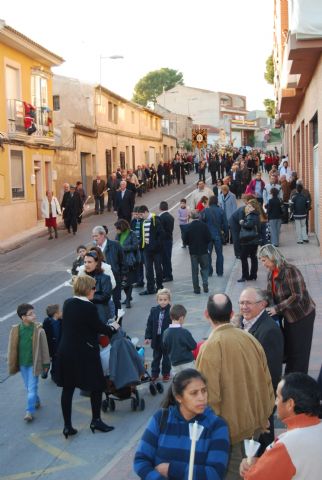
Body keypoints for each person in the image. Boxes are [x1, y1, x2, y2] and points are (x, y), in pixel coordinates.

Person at [196, 293, 275, 480]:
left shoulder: (210, 347)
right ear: (232, 313)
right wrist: (263, 418)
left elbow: (208, 399)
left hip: (227, 435)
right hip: (254, 426)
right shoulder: (250, 339)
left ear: (206, 314)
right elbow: (267, 383)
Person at [134, 369, 230, 479]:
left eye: (204, 391)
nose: (202, 398)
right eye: (194, 393)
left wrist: (171, 469)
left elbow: (215, 474)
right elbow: (141, 460)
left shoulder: (217, 426)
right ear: (179, 397)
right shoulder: (161, 418)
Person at [55, 275, 120, 438]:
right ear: (85, 289)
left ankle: (67, 426)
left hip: (66, 352)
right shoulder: (88, 307)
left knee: (68, 389)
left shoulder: (68, 303)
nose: (95, 290)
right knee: (97, 386)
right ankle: (96, 421)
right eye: (93, 288)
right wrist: (113, 327)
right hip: (85, 352)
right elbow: (99, 328)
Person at [240, 373, 322, 479]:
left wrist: (250, 469)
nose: (275, 402)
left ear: (290, 404)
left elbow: (256, 478)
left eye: (278, 397)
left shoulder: (287, 445)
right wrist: (260, 462)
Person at [239, 287, 284, 454]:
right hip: (251, 395)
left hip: (261, 399)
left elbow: (271, 373)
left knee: (263, 440)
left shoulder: (269, 330)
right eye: (241, 302)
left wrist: (265, 406)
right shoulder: (247, 322)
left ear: (263, 304)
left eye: (248, 303)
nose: (244, 306)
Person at [258, 244, 315, 374]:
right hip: (288, 315)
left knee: (300, 350)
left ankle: (297, 380)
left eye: (263, 260)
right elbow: (269, 293)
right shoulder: (271, 273)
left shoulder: (290, 270)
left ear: (271, 257)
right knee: (291, 348)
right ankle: (290, 376)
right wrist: (259, 301)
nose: (263, 264)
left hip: (302, 315)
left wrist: (276, 309)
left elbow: (297, 296)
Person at [7, 303, 50, 422]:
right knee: (28, 387)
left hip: (34, 364)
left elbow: (45, 348)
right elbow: (12, 347)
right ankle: (36, 401)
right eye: (30, 314)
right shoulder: (16, 330)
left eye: (33, 313)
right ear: (23, 317)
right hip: (22, 364)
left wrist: (46, 364)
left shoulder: (39, 330)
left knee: (31, 388)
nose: (34, 316)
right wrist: (11, 361)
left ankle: (29, 412)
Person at [92, 225, 127, 313]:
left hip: (114, 278)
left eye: (96, 235)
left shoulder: (115, 245)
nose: (94, 238)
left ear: (103, 234)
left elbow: (123, 262)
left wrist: (122, 276)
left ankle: (118, 324)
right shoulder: (94, 249)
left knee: (115, 302)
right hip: (100, 281)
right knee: (103, 302)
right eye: (93, 236)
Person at [144, 288, 172, 382]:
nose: (163, 302)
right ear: (157, 300)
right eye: (160, 300)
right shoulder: (154, 310)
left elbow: (175, 325)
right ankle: (154, 374)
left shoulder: (171, 311)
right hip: (156, 339)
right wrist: (148, 337)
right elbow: (149, 324)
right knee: (156, 358)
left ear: (169, 300)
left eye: (165, 300)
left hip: (167, 339)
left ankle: (166, 374)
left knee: (166, 359)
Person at [162, 304, 197, 375]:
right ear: (181, 318)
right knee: (191, 380)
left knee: (178, 383)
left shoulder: (165, 332)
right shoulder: (184, 332)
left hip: (174, 364)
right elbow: (193, 346)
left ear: (171, 317)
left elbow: (165, 346)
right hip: (187, 362)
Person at [183, 210, 212, 294]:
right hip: (203, 251)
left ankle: (196, 289)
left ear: (191, 217)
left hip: (193, 252)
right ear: (198, 216)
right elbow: (209, 238)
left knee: (194, 271)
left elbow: (185, 240)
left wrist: (190, 243)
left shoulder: (188, 227)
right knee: (205, 268)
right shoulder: (204, 226)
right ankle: (205, 283)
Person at [138, 205, 164, 296]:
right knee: (148, 270)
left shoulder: (155, 220)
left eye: (141, 214)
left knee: (158, 269)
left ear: (146, 212)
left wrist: (156, 246)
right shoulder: (143, 222)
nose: (141, 217)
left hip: (156, 250)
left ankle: (160, 287)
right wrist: (141, 245)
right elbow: (142, 235)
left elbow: (161, 235)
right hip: (146, 249)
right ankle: (150, 288)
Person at [200, 195, 228, 278]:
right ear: (216, 202)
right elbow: (225, 224)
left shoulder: (205, 211)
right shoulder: (221, 211)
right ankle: (220, 272)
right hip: (218, 235)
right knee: (219, 254)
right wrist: (225, 234)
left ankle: (209, 271)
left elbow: (201, 224)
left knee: (208, 254)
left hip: (208, 236)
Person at [115, 219, 139, 309]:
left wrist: (123, 248)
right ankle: (128, 297)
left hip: (130, 260)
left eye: (117, 228)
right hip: (120, 261)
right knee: (123, 281)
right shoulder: (118, 235)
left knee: (129, 281)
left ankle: (128, 299)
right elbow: (115, 245)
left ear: (122, 227)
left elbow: (135, 246)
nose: (116, 230)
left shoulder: (132, 234)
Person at [83, 251, 113, 323]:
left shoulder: (105, 278)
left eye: (89, 262)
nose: (86, 264)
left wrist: (89, 297)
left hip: (100, 314)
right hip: (86, 314)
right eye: (85, 262)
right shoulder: (83, 278)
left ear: (96, 263)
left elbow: (106, 296)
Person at [238, 199, 261, 282]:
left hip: (248, 240)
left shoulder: (251, 215)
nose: (247, 207)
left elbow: (249, 225)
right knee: (253, 257)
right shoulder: (256, 214)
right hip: (254, 240)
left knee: (243, 257)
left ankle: (245, 276)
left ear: (253, 207)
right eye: (247, 205)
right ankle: (253, 275)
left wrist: (242, 222)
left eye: (249, 206)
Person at [42, 304, 62, 382]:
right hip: (51, 346)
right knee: (54, 361)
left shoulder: (61, 321)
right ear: (55, 314)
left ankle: (57, 374)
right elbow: (45, 335)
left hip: (59, 344)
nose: (61, 312)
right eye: (60, 311)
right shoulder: (47, 322)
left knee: (58, 360)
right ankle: (53, 374)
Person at [159, 201, 174, 282]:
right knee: (167, 258)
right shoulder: (170, 217)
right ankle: (166, 274)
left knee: (164, 259)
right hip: (169, 239)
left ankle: (167, 275)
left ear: (160, 208)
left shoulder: (161, 217)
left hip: (163, 241)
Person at [131, 207, 145, 287]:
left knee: (142, 263)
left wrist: (139, 243)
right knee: (137, 264)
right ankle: (139, 281)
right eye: (135, 214)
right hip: (135, 246)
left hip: (141, 246)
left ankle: (142, 280)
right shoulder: (132, 222)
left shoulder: (143, 221)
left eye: (137, 214)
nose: (136, 215)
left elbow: (143, 235)